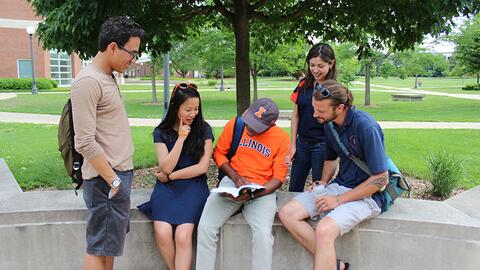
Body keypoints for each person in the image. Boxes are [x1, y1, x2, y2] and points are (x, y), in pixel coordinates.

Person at [279, 80, 389, 270]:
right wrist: (322, 182)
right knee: (287, 213)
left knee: (324, 230)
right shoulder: (329, 125)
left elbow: (381, 179)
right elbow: (331, 159)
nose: (315, 115)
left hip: (368, 195)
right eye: (314, 109)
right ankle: (333, 264)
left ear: (340, 107)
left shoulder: (366, 127)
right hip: (340, 186)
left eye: (321, 111)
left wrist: (338, 200)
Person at [70, 16, 144, 270]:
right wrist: (113, 181)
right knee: (98, 247)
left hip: (117, 176)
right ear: (113, 47)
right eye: (131, 53)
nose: (133, 59)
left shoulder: (107, 77)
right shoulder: (88, 81)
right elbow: (84, 141)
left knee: (108, 247)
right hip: (106, 180)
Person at [196, 98, 291, 270]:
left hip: (262, 191)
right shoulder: (236, 124)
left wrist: (253, 194)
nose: (250, 127)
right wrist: (234, 176)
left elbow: (278, 179)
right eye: (249, 122)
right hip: (232, 183)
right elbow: (219, 153)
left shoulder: (282, 138)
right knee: (205, 227)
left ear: (272, 123)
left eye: (257, 125)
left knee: (263, 235)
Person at [137, 83, 213, 270]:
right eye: (188, 109)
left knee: (182, 235)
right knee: (162, 231)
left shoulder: (204, 129)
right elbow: (167, 166)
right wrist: (180, 138)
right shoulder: (161, 132)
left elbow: (202, 168)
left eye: (196, 109)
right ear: (175, 107)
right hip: (167, 190)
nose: (193, 114)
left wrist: (171, 177)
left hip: (193, 186)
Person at [289, 43, 337, 192]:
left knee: (318, 190)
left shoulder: (334, 90)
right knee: (294, 188)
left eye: (320, 66)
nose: (315, 70)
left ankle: (318, 216)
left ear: (331, 64)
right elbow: (295, 115)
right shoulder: (303, 84)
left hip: (322, 146)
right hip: (302, 144)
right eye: (312, 65)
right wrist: (293, 145)